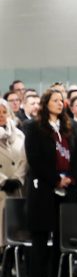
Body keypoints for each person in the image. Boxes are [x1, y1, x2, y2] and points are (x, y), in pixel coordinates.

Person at [23, 89, 76, 277]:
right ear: (45, 104)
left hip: (66, 187)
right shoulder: (34, 128)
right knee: (41, 237)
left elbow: (75, 155)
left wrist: (69, 178)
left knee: (62, 237)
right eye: (55, 100)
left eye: (61, 100)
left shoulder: (68, 128)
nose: (59, 103)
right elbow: (35, 159)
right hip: (43, 189)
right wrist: (55, 179)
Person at [0, 100, 26, 254]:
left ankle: (14, 268)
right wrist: (3, 181)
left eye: (4, 112)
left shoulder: (19, 134)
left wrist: (18, 178)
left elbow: (25, 160)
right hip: (1, 189)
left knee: (16, 234)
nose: (1, 116)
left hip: (17, 189)